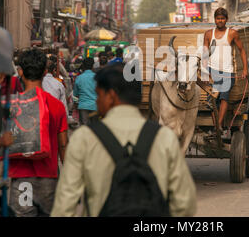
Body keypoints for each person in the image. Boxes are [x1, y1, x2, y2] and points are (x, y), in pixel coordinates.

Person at [51, 63, 196, 217]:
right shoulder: (164, 138)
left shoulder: (85, 138)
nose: (97, 101)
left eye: (98, 95)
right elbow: (185, 204)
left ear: (111, 96)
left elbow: (65, 206)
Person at [8, 48, 68, 217]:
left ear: (20, 72)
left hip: (21, 179)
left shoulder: (13, 106)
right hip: (48, 177)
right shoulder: (56, 106)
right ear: (45, 72)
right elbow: (63, 145)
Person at [203, 7, 248, 134]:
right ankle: (217, 126)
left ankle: (218, 126)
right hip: (213, 71)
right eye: (218, 18)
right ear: (215, 20)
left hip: (228, 72)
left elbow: (242, 51)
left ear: (226, 20)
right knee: (212, 101)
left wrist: (245, 69)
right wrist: (205, 70)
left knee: (224, 98)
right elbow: (205, 53)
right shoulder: (208, 34)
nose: (220, 21)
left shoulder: (232, 33)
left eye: (222, 18)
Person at [73, 57, 97, 125]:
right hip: (95, 106)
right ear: (93, 66)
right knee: (95, 130)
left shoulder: (79, 78)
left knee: (84, 129)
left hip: (83, 106)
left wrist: (75, 106)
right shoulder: (97, 77)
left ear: (83, 66)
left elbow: (75, 95)